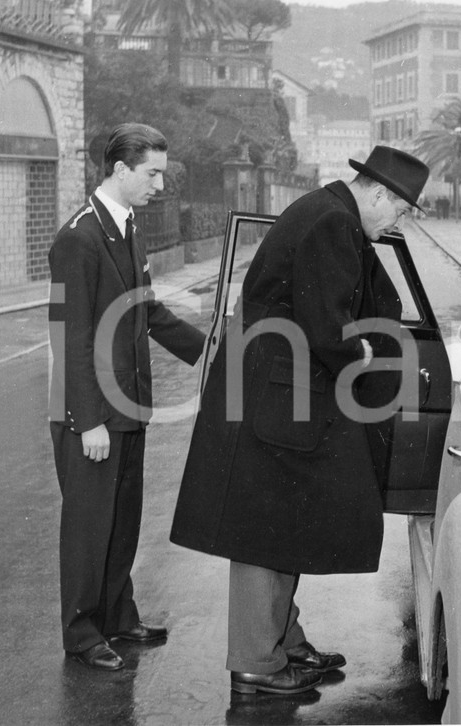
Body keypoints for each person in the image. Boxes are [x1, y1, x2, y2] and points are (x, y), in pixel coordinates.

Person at [169, 146, 429, 695]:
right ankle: (255, 663)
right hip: (276, 396)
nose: (397, 221)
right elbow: (326, 324)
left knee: (284, 519)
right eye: (401, 211)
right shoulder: (334, 222)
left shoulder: (331, 214)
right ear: (380, 193)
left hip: (278, 391)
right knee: (264, 528)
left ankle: (284, 641)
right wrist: (363, 357)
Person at [48, 123, 205, 671]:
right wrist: (86, 420)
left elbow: (147, 309)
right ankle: (82, 633)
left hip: (129, 405)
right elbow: (71, 337)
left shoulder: (128, 225)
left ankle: (117, 615)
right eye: (152, 173)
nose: (160, 184)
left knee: (122, 518)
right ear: (120, 170)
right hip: (91, 413)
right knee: (89, 526)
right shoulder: (78, 237)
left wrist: (207, 352)